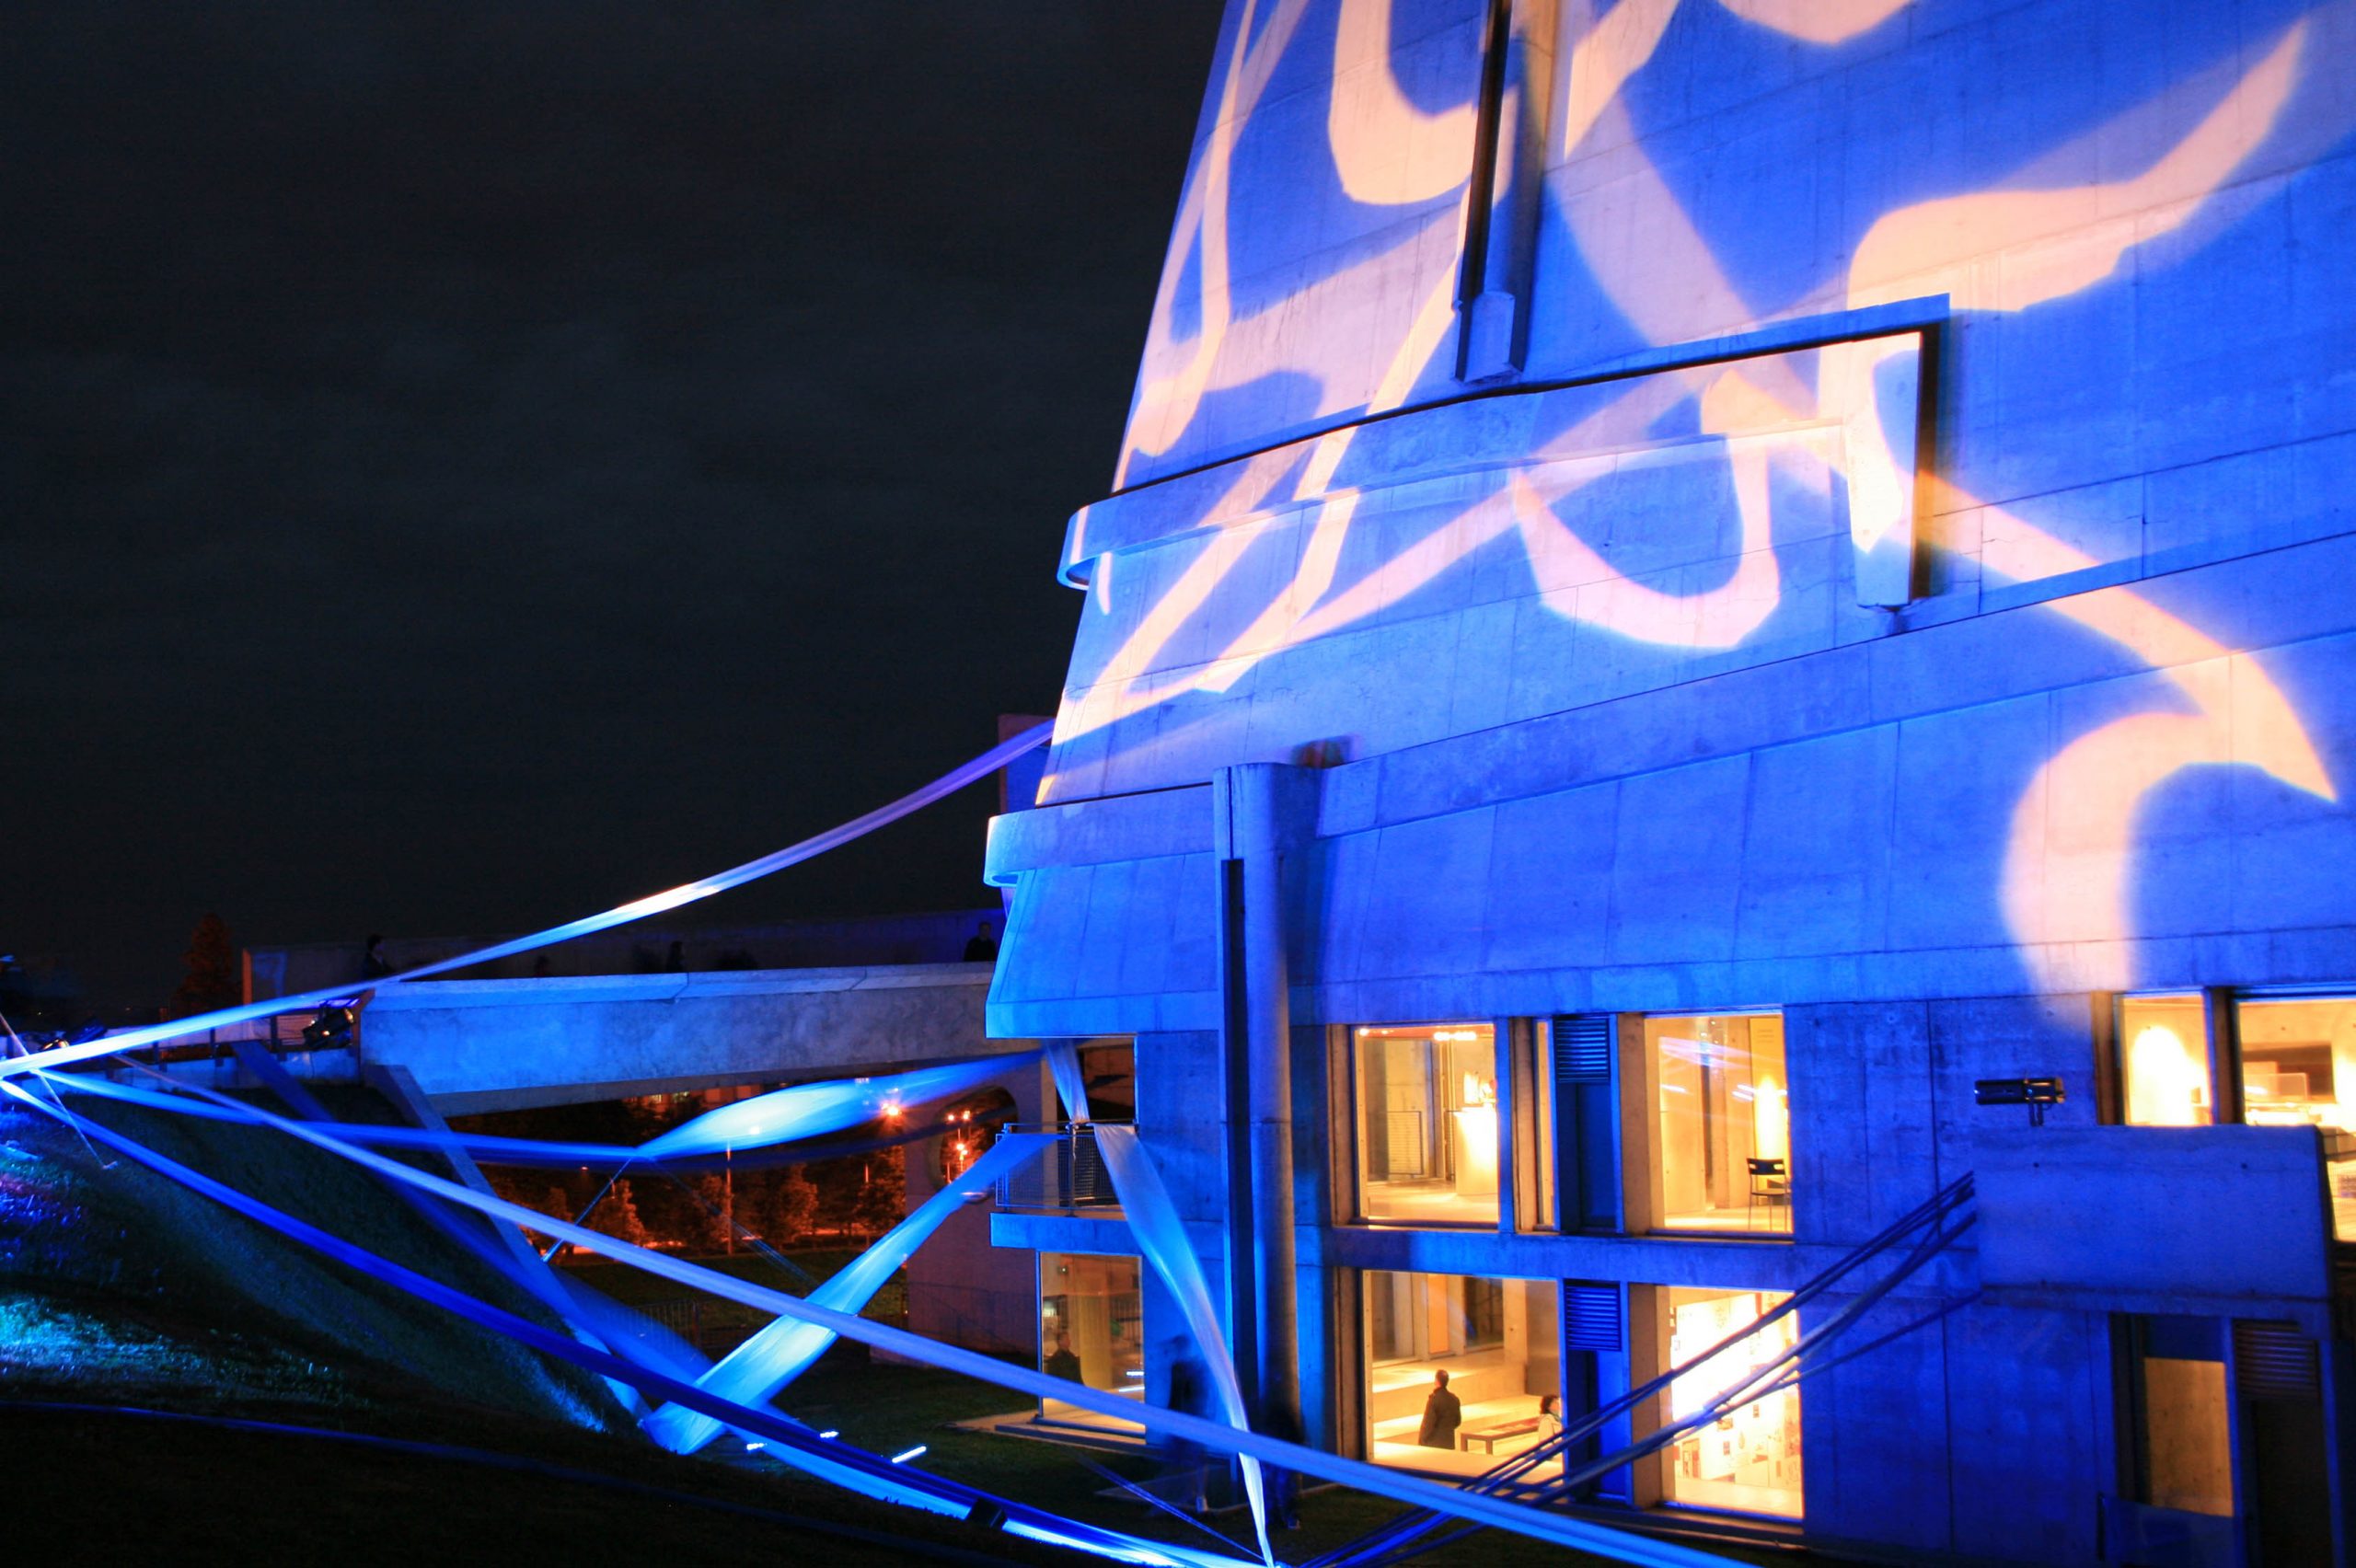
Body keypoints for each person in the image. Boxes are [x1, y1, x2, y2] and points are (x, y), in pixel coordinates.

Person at [1417, 1368, 1461, 1449]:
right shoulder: (1454, 1399)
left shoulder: (1434, 1400)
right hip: (1449, 1442)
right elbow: (1458, 1421)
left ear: (1437, 1381)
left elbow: (1428, 1423)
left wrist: (1422, 1439)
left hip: (1435, 1444)